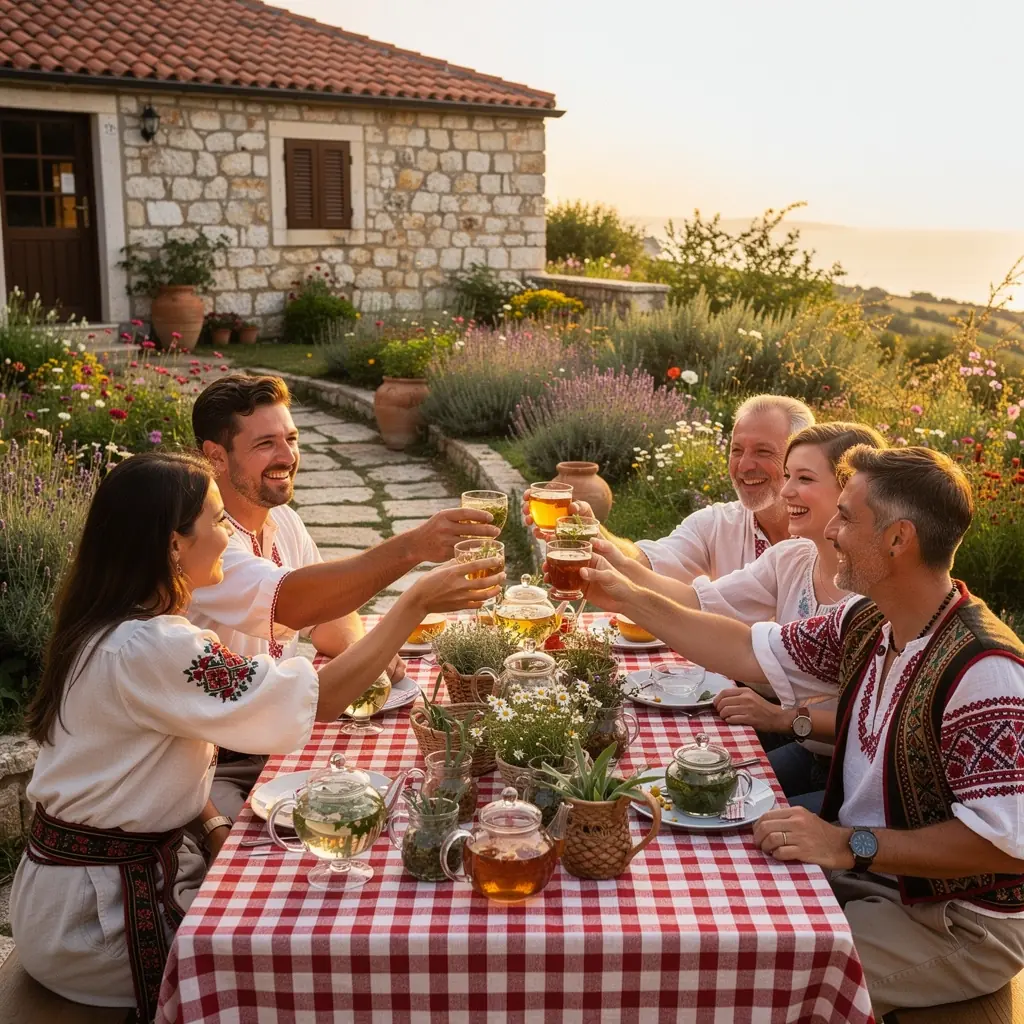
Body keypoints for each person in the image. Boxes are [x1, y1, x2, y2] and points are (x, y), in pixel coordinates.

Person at [9, 451, 502, 1016]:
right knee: (319, 961)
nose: (229, 536)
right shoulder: (153, 648)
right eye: (218, 522)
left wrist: (214, 824)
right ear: (174, 545)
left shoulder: (112, 624)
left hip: (77, 888)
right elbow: (320, 697)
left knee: (303, 897)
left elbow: (140, 770)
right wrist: (414, 603)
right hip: (98, 924)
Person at [577, 445, 1024, 1016]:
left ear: (898, 539)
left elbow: (1006, 846)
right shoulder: (868, 619)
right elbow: (744, 648)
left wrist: (846, 844)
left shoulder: (984, 672)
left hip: (953, 919)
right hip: (879, 876)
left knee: (748, 974)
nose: (830, 531)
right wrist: (623, 594)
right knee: (709, 900)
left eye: (846, 516)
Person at [188, 374, 499, 819]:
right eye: (265, 445)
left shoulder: (285, 523)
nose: (287, 456)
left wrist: (362, 652)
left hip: (277, 737)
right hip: (218, 765)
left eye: (291, 439)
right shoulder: (209, 549)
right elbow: (294, 603)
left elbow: (331, 619)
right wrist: (412, 551)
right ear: (215, 456)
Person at [589, 421, 886, 810]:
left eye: (805, 478)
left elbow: (878, 724)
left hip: (859, 775)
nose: (786, 491)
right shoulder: (793, 557)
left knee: (737, 813)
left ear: (852, 491)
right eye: (788, 476)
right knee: (691, 790)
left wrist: (783, 719)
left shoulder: (875, 595)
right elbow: (702, 606)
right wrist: (619, 570)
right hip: (810, 751)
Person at [523, 393, 814, 582]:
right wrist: (592, 530)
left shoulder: (830, 536)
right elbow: (645, 562)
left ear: (800, 458)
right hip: (725, 678)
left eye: (763, 452)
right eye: (737, 450)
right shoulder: (716, 524)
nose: (744, 465)